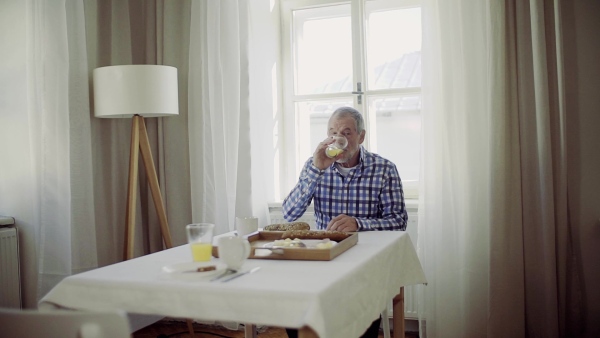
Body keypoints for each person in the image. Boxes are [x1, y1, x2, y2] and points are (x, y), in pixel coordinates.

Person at [282, 106, 408, 338]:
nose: (338, 138)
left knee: (360, 312)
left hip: (365, 261)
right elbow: (289, 214)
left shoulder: (384, 169)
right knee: (295, 306)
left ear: (361, 136)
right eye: (332, 132)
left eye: (347, 132)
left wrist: (359, 224)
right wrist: (316, 170)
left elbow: (399, 221)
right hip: (324, 258)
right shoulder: (315, 167)